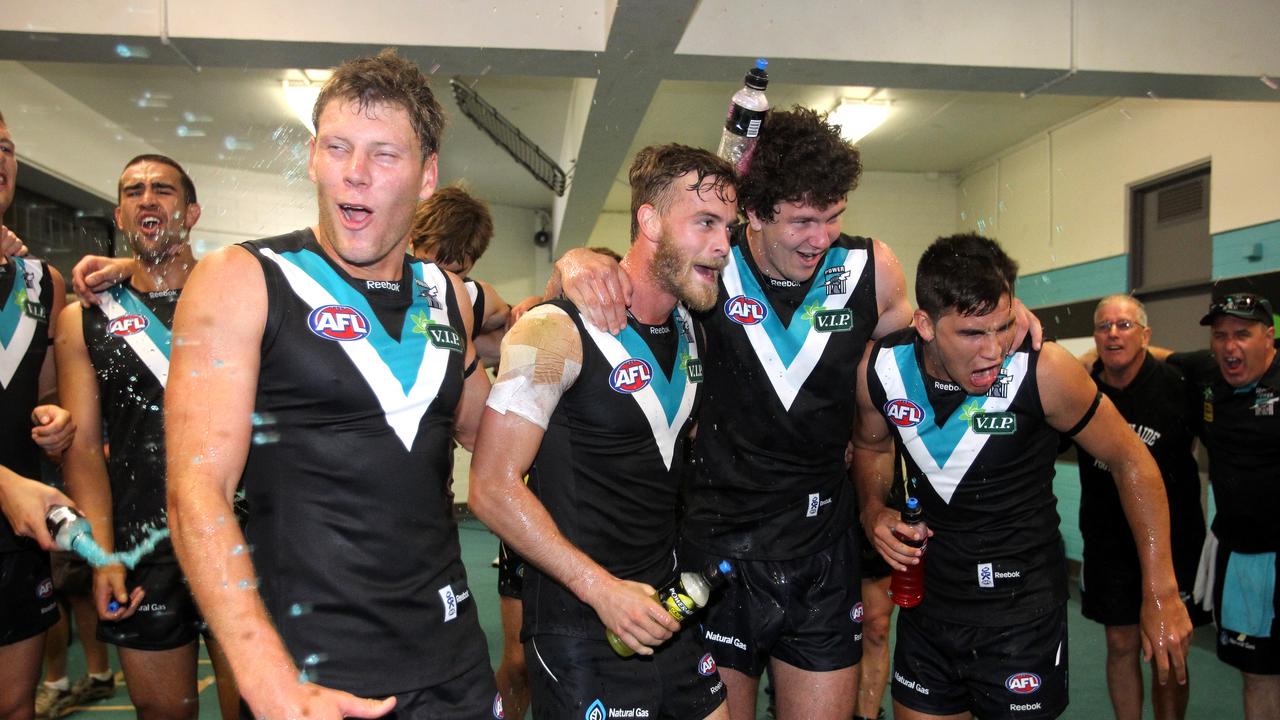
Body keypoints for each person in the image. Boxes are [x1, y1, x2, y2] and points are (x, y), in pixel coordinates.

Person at [551, 106, 916, 720]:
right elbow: (624, 280)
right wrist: (576, 260)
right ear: (753, 213)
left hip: (822, 550)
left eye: (832, 218)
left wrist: (1013, 326)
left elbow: (924, 366)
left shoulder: (872, 270)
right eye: (802, 221)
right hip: (716, 551)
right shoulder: (707, 268)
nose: (820, 238)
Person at [165, 49, 498, 720]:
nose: (355, 172)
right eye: (339, 147)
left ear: (427, 175)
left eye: (384, 155)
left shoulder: (448, 297)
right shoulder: (243, 279)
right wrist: (266, 679)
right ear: (315, 156)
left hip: (453, 655)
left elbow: (484, 427)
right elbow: (194, 490)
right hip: (315, 672)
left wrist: (574, 283)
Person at [852, 233, 1191, 720]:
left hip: (1022, 618)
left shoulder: (1044, 369)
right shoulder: (881, 370)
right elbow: (871, 444)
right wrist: (871, 508)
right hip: (929, 613)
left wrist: (1160, 590)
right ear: (924, 324)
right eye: (972, 334)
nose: (993, 350)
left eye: (1003, 326)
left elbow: (1131, 460)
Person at [470, 143, 737, 719]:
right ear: (649, 220)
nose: (722, 245)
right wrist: (601, 590)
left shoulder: (694, 332)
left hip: (667, 612)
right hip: (580, 627)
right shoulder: (553, 329)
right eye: (706, 223)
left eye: (728, 228)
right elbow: (491, 486)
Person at [54, 153, 237, 720]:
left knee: (256, 708)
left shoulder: (237, 297)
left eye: (163, 189)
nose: (148, 199)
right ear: (120, 213)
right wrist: (103, 554)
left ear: (192, 210)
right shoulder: (82, 316)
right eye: (134, 191)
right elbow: (82, 449)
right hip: (141, 543)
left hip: (239, 532)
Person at [1075, 294, 1207, 720]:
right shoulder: (1082, 390)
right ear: (1094, 339)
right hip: (1108, 543)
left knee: (1169, 648)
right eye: (1104, 326)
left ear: (1146, 335)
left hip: (1173, 543)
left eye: (1125, 325)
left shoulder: (1177, 385)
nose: (1113, 333)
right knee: (1121, 644)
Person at [1165, 293, 1280, 720]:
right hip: (1241, 555)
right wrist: (1088, 359)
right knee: (1257, 674)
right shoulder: (1206, 374)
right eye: (1221, 335)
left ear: (1269, 337)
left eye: (1243, 334)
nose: (1231, 346)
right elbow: (1153, 353)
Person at [0, 108, 75, 720]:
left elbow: (44, 399)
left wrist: (56, 425)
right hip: (10, 496)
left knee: (14, 705)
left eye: (4, 146)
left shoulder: (39, 281)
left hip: (17, 535)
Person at [409, 184, 511, 368]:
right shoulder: (378, 279)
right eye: (430, 266)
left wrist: (531, 305)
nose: (440, 280)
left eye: (454, 273)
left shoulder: (479, 298)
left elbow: (521, 322)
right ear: (411, 242)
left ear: (474, 262)